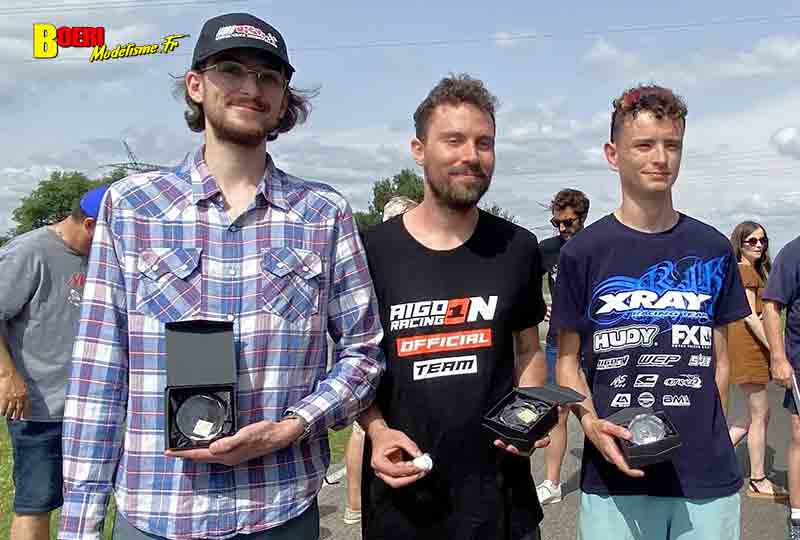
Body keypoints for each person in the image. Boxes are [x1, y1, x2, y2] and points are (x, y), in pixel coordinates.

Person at [58, 13, 384, 540]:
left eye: (269, 78)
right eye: (230, 69)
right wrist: (81, 525)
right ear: (196, 85)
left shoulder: (322, 213)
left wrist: (293, 426)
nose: (250, 88)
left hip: (280, 509)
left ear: (283, 100)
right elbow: (100, 372)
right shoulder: (134, 207)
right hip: (159, 512)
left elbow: (364, 354)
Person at [552, 84, 750, 540]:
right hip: (615, 474)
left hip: (704, 477)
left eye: (672, 145)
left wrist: (706, 431)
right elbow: (566, 362)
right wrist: (589, 424)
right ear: (612, 153)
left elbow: (721, 359)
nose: (660, 157)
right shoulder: (584, 253)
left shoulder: (712, 247)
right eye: (644, 145)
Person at [359, 74, 549, 540]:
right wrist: (377, 431)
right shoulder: (370, 251)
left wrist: (529, 414)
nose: (471, 155)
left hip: (500, 500)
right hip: (404, 500)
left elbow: (528, 350)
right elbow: (351, 364)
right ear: (418, 149)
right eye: (454, 140)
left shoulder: (518, 248)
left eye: (484, 142)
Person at [0, 185, 108, 540]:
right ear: (90, 225)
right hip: (41, 407)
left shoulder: (103, 258)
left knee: (91, 505)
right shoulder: (30, 251)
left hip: (93, 408)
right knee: (36, 505)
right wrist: (7, 375)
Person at [343, 195, 418, 526]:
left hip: (398, 363)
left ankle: (354, 504)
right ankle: (355, 503)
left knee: (366, 436)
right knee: (364, 434)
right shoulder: (370, 257)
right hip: (375, 365)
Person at [536, 188, 589, 505]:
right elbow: (526, 284)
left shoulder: (599, 245)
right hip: (558, 340)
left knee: (606, 405)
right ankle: (552, 483)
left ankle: (612, 476)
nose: (561, 229)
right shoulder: (547, 249)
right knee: (558, 410)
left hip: (597, 340)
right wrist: (536, 306)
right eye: (556, 222)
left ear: (582, 218)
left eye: (567, 223)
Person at [727, 221, 788, 500]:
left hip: (749, 346)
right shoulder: (744, 271)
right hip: (749, 347)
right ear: (739, 243)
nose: (758, 245)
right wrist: (777, 349)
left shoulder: (751, 271)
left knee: (757, 414)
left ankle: (714, 453)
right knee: (760, 415)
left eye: (762, 240)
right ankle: (758, 479)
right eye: (751, 241)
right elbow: (750, 317)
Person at [762, 235, 800, 539]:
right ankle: (798, 516)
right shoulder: (794, 252)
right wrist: (778, 357)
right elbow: (772, 307)